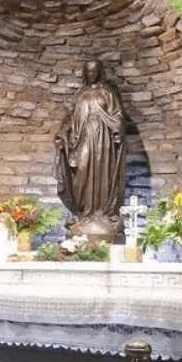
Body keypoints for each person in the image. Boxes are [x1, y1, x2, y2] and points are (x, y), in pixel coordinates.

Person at [55, 60, 127, 241]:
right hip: (82, 140)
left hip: (103, 142)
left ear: (100, 72)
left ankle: (102, 214)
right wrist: (63, 133)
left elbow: (118, 115)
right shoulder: (80, 94)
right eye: (88, 71)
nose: (92, 74)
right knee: (81, 173)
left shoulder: (107, 93)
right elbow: (70, 118)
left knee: (103, 174)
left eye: (95, 71)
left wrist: (115, 128)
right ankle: (84, 214)